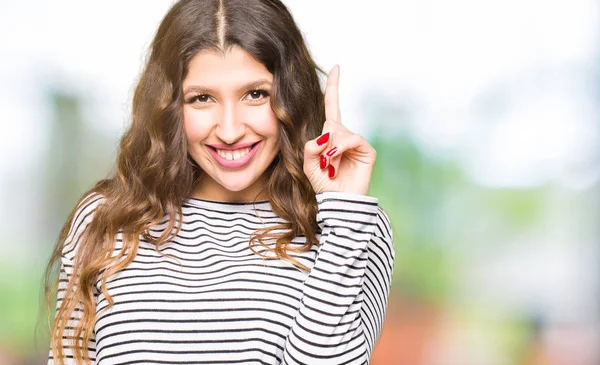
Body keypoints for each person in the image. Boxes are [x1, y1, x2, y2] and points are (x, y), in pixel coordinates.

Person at [44, 0, 395, 364]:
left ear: (291, 95)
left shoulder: (348, 226)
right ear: (169, 107)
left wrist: (343, 212)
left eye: (256, 94)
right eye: (202, 98)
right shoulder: (106, 221)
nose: (229, 130)